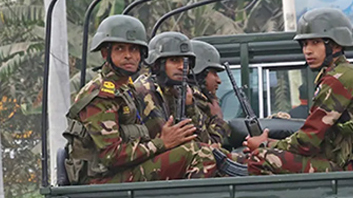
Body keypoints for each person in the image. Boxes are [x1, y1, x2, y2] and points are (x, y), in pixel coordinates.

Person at [223, 8, 353, 175]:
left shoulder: (340, 79)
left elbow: (307, 141)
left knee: (261, 158)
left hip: (352, 165)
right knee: (243, 158)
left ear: (335, 45)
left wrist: (264, 144)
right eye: (304, 44)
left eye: (315, 43)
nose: (307, 51)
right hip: (348, 157)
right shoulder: (345, 74)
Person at [63, 15, 217, 184]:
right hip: (101, 181)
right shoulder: (101, 94)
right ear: (106, 53)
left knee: (209, 151)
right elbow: (111, 156)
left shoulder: (126, 89)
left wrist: (164, 140)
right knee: (196, 152)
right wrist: (161, 143)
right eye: (120, 49)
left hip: (122, 172)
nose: (129, 56)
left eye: (134, 50)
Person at [134, 32, 214, 145]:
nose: (182, 67)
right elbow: (172, 142)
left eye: (186, 62)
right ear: (157, 64)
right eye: (174, 60)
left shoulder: (177, 91)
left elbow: (204, 140)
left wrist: (189, 106)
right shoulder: (146, 90)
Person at [191, 40, 231, 146]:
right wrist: (218, 119)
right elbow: (211, 147)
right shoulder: (192, 102)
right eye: (213, 73)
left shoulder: (198, 100)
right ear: (200, 73)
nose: (219, 80)